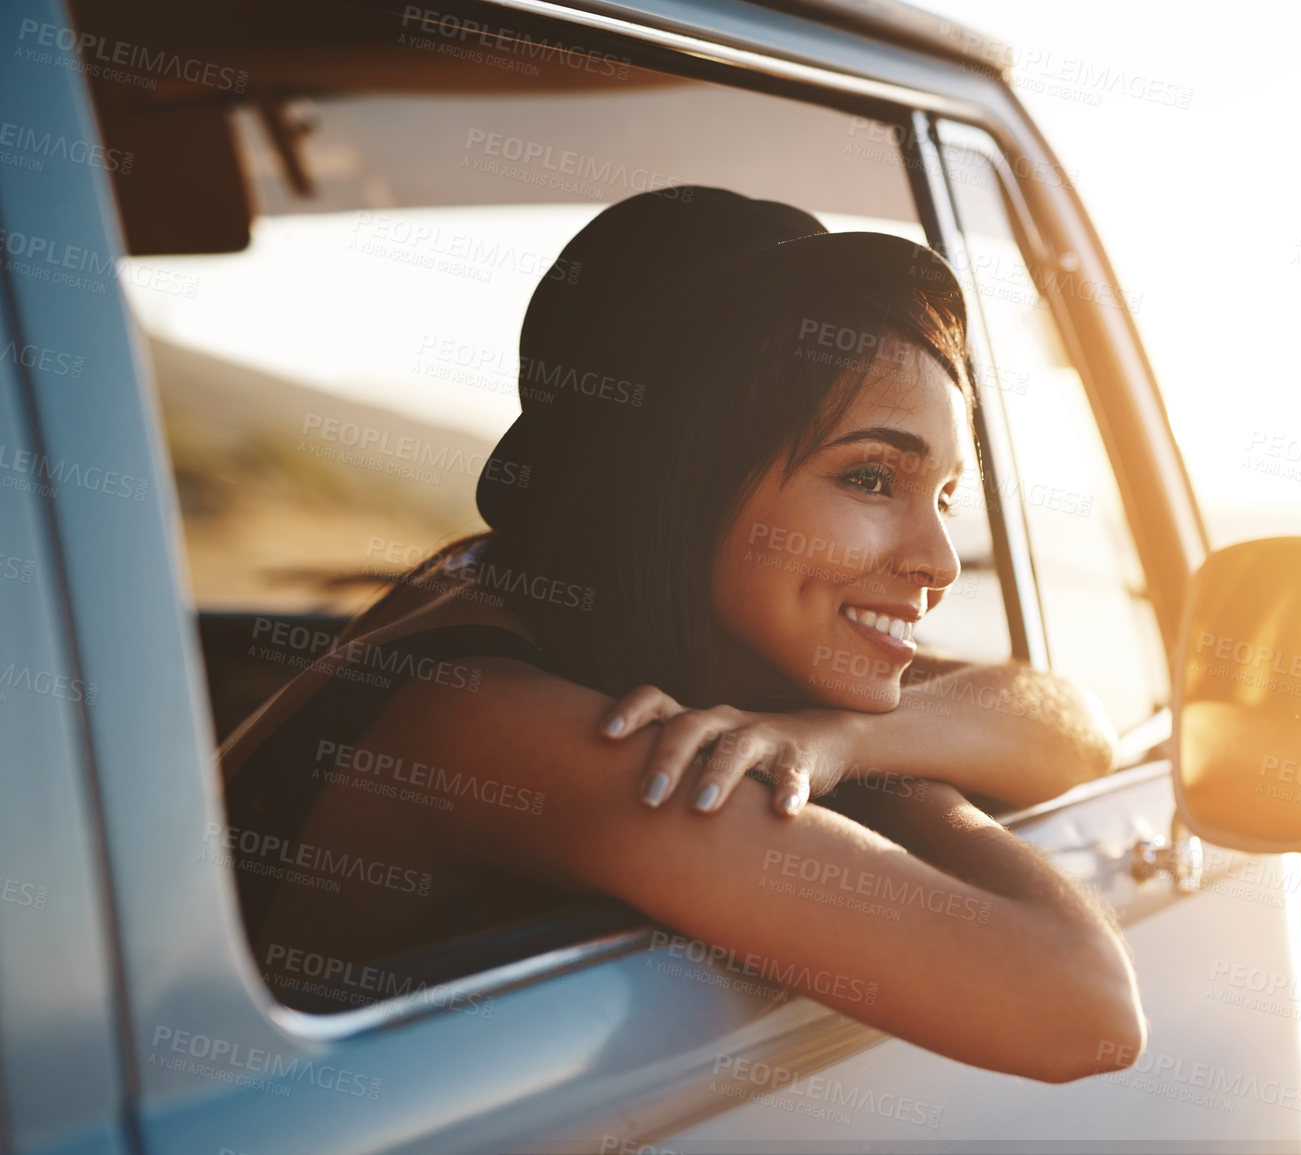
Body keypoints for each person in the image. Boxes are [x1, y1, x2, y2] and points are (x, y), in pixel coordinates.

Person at [219, 186, 1145, 1082]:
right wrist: (895, 778)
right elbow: (1083, 1007)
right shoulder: (501, 721)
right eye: (869, 479)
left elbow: (1070, 719)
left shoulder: (571, 607)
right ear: (673, 481)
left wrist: (843, 740)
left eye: (944, 496)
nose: (939, 560)